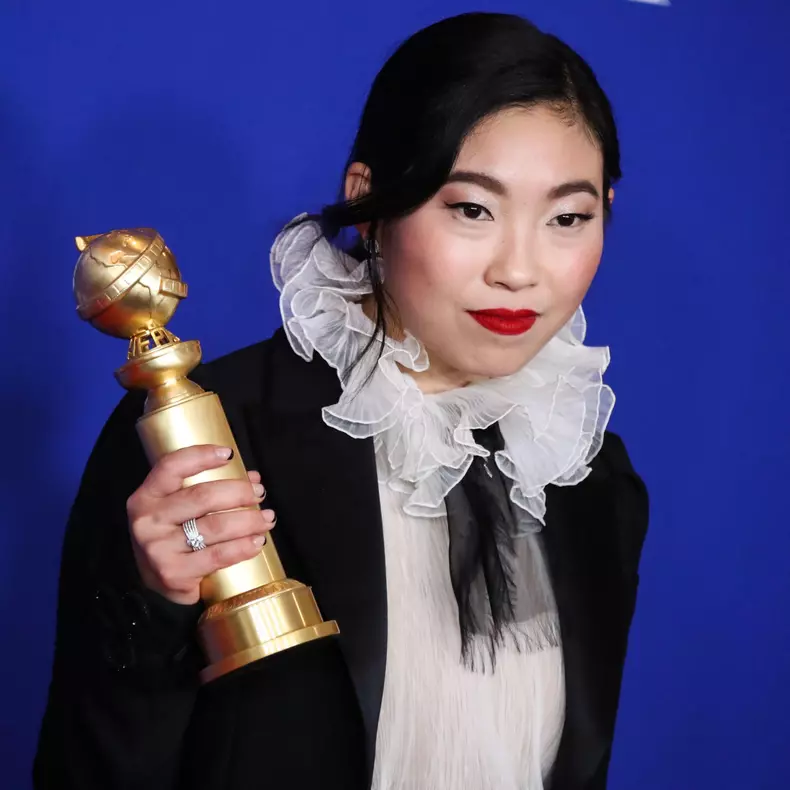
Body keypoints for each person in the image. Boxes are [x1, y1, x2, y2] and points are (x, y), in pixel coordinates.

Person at [34, 11, 649, 790]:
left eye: (568, 218)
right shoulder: (205, 435)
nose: (520, 270)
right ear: (371, 202)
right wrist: (152, 603)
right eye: (471, 209)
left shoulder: (588, 473)